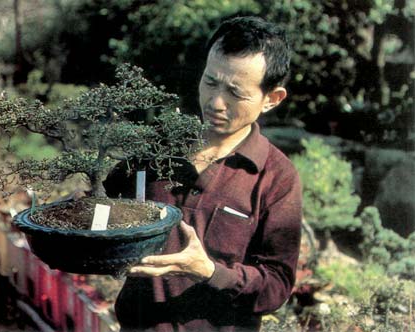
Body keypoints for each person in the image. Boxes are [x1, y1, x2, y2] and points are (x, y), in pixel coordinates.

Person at [104, 16, 302, 332]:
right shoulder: (158, 146)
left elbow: (276, 285)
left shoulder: (277, 177)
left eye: (235, 93)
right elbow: (106, 204)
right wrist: (85, 212)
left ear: (272, 99)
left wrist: (208, 271)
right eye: (210, 82)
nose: (216, 102)